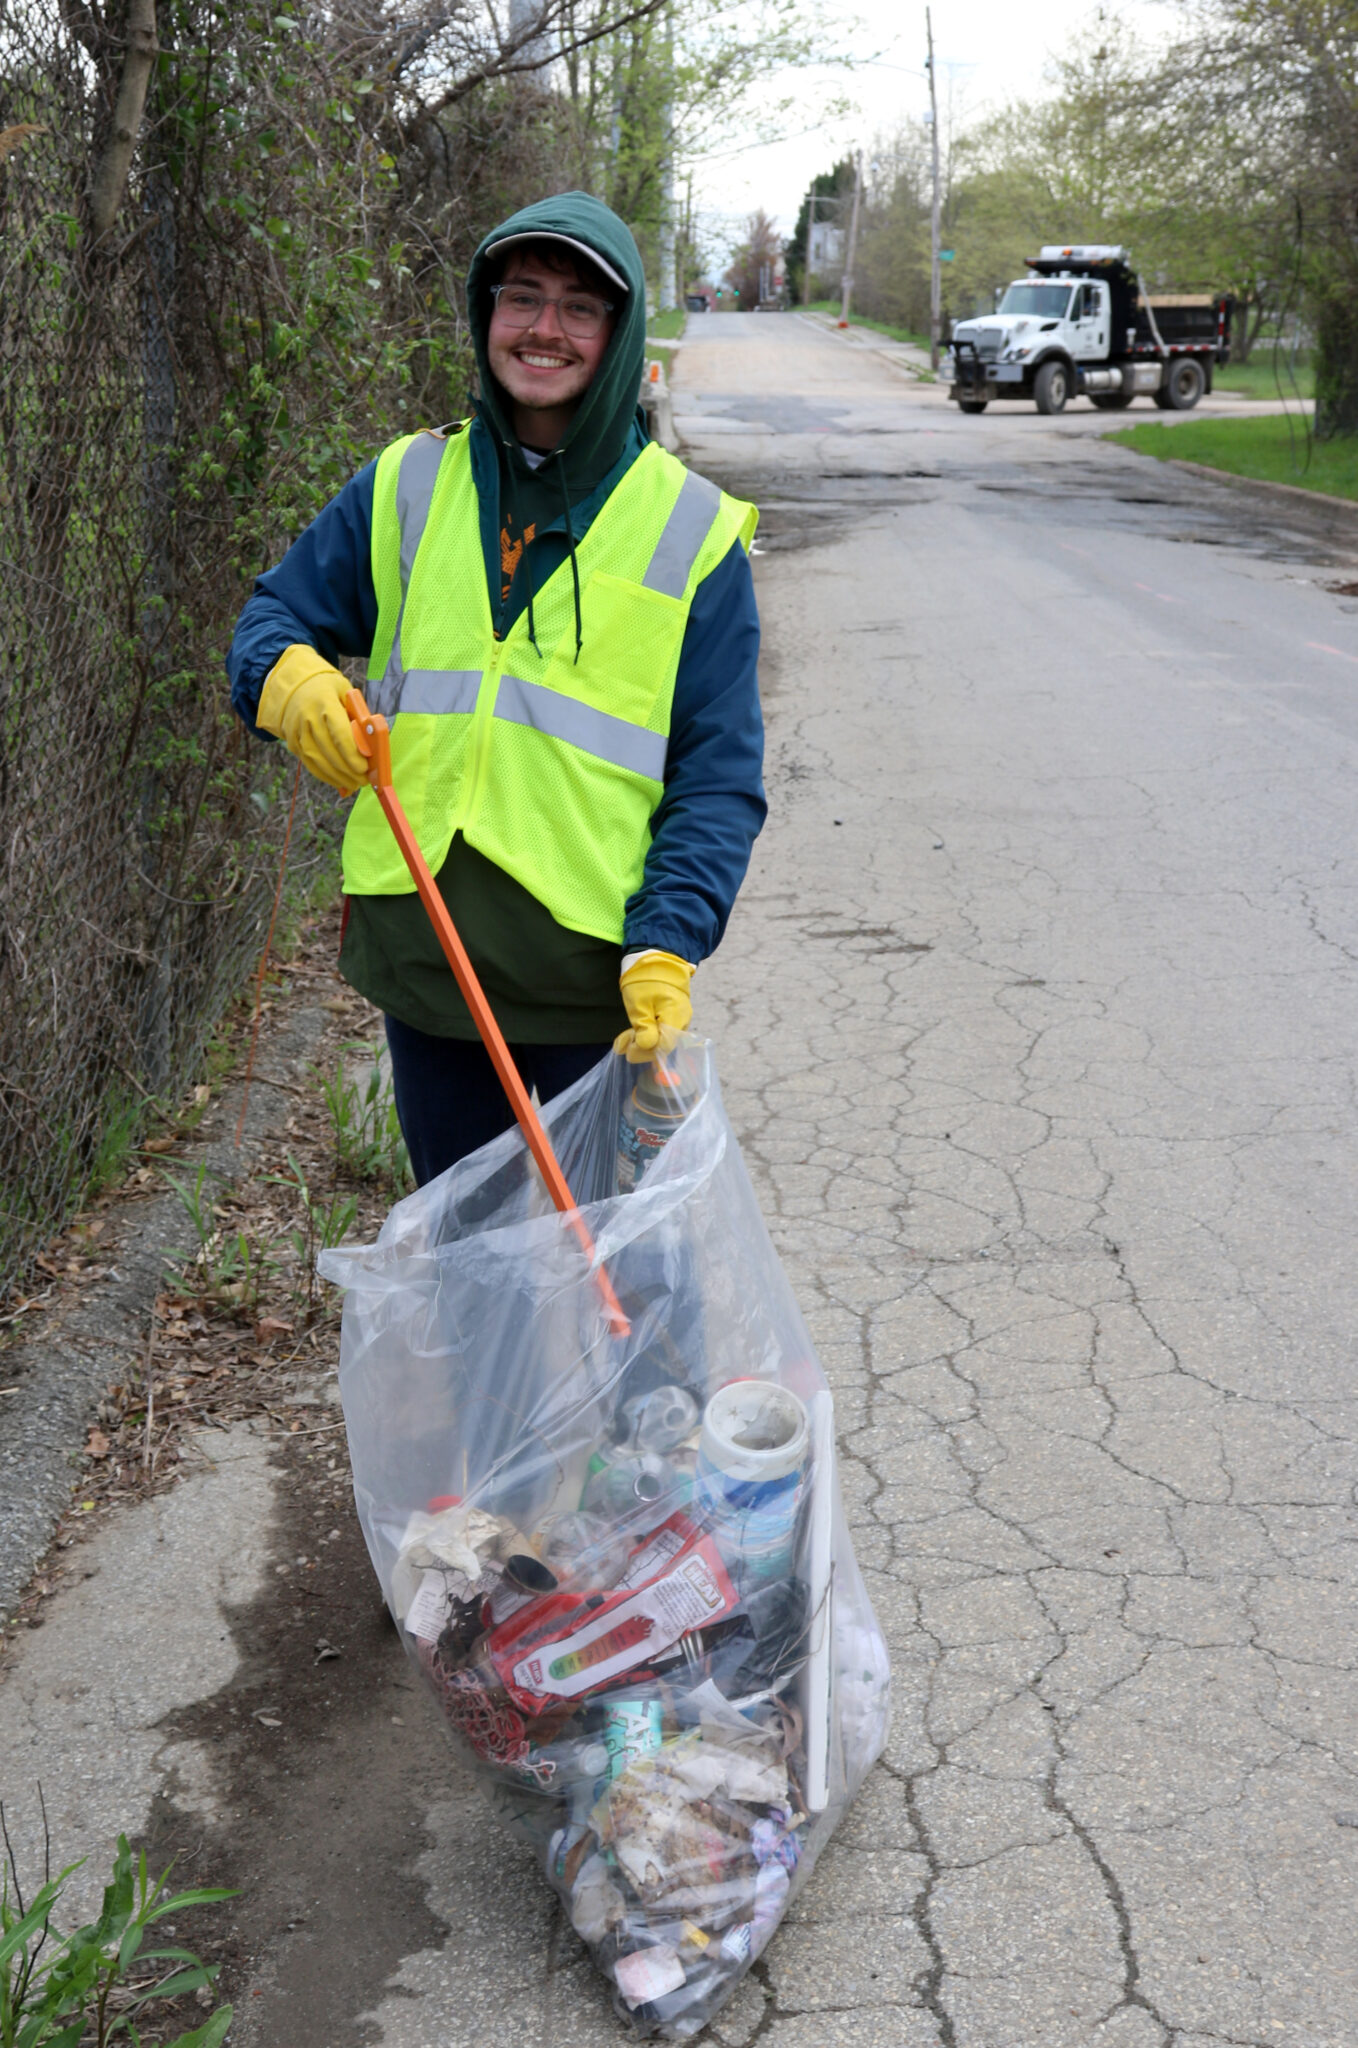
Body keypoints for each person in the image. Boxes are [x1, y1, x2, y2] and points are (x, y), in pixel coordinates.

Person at [227, 193, 764, 1187]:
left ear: (617, 334)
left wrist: (667, 944)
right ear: (486, 313)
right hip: (426, 973)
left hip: (593, 992)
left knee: (610, 1267)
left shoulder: (690, 531)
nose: (544, 328)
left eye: (579, 307)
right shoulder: (409, 482)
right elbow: (271, 619)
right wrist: (289, 682)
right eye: (522, 297)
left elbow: (717, 776)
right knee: (468, 1257)